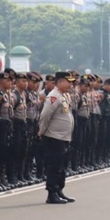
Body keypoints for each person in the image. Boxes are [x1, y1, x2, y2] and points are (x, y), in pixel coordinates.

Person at [38, 71, 76, 205]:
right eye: (68, 81)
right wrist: (42, 131)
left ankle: (59, 190)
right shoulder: (53, 96)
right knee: (54, 166)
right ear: (60, 82)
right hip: (54, 137)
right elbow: (45, 115)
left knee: (62, 166)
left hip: (64, 137)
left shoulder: (63, 96)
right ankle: (52, 193)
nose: (71, 84)